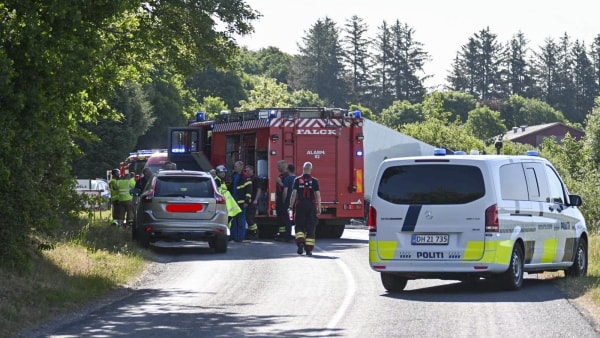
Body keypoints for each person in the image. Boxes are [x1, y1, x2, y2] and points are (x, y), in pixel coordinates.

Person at [288, 162, 321, 256]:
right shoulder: (314, 181)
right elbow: (317, 195)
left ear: (303, 169)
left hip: (300, 206)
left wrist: (290, 206)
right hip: (311, 206)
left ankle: (301, 243)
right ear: (311, 169)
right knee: (311, 228)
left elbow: (294, 194)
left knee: (299, 225)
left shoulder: (297, 180)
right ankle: (309, 249)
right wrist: (319, 207)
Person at [230, 160, 249, 242]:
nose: (235, 167)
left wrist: (246, 201)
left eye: (236, 166)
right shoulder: (235, 176)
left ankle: (240, 237)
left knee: (241, 220)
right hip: (234, 202)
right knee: (234, 220)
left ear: (241, 166)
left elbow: (249, 190)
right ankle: (233, 236)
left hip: (241, 202)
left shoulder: (245, 177)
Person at [244, 165, 262, 240]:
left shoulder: (255, 179)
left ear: (252, 170)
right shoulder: (247, 179)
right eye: (246, 171)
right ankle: (251, 232)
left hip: (253, 200)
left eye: (248, 170)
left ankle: (255, 232)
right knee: (248, 217)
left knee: (249, 217)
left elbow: (259, 190)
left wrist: (256, 200)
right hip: (248, 200)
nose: (247, 172)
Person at [274, 160, 289, 241]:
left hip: (283, 200)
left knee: (284, 218)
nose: (277, 168)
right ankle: (281, 234)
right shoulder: (281, 176)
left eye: (279, 166)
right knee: (280, 218)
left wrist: (280, 183)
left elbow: (287, 189)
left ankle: (285, 235)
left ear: (283, 167)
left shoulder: (286, 177)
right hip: (279, 199)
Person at [280, 163, 296, 242]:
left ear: (288, 170)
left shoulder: (287, 179)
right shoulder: (298, 179)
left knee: (288, 219)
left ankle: (288, 236)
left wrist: (283, 200)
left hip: (289, 202)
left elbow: (285, 191)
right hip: (297, 202)